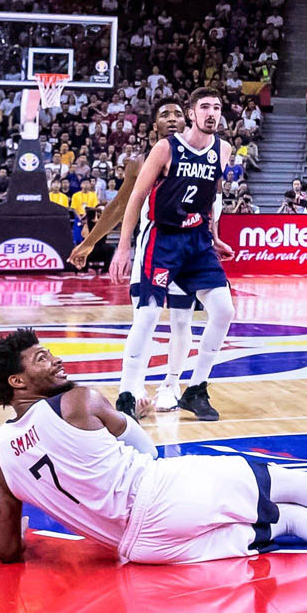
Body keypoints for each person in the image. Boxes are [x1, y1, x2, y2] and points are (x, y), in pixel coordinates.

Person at [0, 329, 307, 564]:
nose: (56, 360)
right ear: (19, 380)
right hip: (163, 492)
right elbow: (145, 453)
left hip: (141, 548)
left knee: (288, 524)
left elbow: (7, 549)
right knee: (291, 484)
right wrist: (140, 436)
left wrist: (36, 550)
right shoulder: (79, 401)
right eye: (42, 358)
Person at [110, 90, 239, 422]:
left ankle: (195, 389)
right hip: (163, 237)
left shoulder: (223, 150)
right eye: (205, 107)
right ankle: (126, 394)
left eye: (217, 108)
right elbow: (137, 197)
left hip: (196, 241)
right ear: (191, 114)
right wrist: (123, 247)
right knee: (149, 316)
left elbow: (208, 198)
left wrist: (214, 237)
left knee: (224, 310)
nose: (212, 113)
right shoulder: (166, 148)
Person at [76, 99, 203, 413]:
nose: (172, 119)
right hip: (151, 249)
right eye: (164, 115)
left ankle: (170, 388)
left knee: (182, 321)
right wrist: (91, 242)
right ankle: (131, 389)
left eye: (177, 114)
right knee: (144, 318)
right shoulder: (141, 162)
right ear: (154, 128)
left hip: (186, 251)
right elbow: (119, 206)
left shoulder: (202, 159)